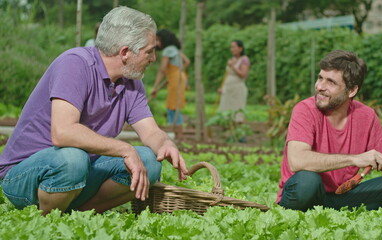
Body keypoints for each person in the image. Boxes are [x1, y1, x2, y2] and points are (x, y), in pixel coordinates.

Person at [0, 6, 188, 216]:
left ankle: (80, 215)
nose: (153, 58)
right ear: (125, 52)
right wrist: (125, 149)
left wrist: (165, 144)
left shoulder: (131, 83)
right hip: (25, 175)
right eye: (149, 51)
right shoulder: (75, 64)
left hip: (81, 172)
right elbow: (63, 133)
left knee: (149, 162)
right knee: (72, 158)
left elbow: (150, 132)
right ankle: (48, 220)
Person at [277, 50, 382, 211]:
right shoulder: (304, 110)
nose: (319, 86)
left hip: (344, 196)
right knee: (308, 181)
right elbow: (297, 161)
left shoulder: (366, 115)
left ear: (351, 91)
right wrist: (354, 159)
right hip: (308, 194)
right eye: (320, 78)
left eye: (331, 82)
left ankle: (345, 211)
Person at [150, 29, 190, 141]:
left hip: (175, 78)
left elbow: (162, 70)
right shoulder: (175, 49)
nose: (157, 43)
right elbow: (187, 62)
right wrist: (177, 72)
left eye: (158, 40)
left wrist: (155, 87)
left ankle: (179, 135)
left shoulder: (168, 50)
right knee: (174, 105)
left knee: (173, 106)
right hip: (179, 77)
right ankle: (177, 134)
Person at [217, 40, 250, 123]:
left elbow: (243, 74)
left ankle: (241, 134)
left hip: (237, 90)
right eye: (231, 47)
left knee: (238, 114)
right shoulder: (232, 59)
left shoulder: (244, 60)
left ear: (240, 48)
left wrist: (233, 66)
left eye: (234, 47)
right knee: (226, 113)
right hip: (228, 90)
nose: (232, 49)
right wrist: (222, 87)